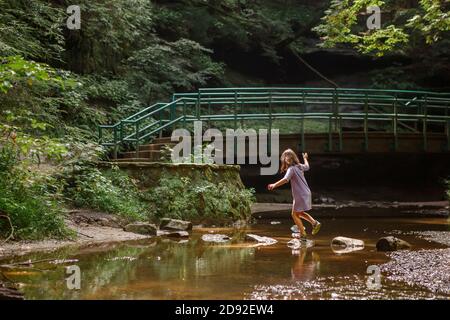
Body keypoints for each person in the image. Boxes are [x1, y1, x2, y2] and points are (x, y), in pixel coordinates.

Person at [267, 149, 321, 240]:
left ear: (287, 160)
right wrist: (305, 158)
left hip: (300, 194)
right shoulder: (299, 166)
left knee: (294, 214)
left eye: (286, 158)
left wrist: (274, 185)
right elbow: (307, 167)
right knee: (298, 213)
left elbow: (285, 179)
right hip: (306, 192)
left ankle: (303, 234)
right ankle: (314, 223)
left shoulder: (291, 169)